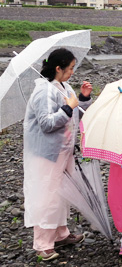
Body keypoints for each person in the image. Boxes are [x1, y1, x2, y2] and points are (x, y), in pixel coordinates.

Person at [23, 48, 93, 261]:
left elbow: (74, 112)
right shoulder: (43, 91)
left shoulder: (63, 86)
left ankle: (61, 234)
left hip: (63, 151)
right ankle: (43, 244)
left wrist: (82, 98)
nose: (72, 72)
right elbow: (47, 123)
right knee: (47, 197)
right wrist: (68, 108)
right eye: (70, 68)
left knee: (62, 194)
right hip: (47, 154)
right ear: (58, 68)